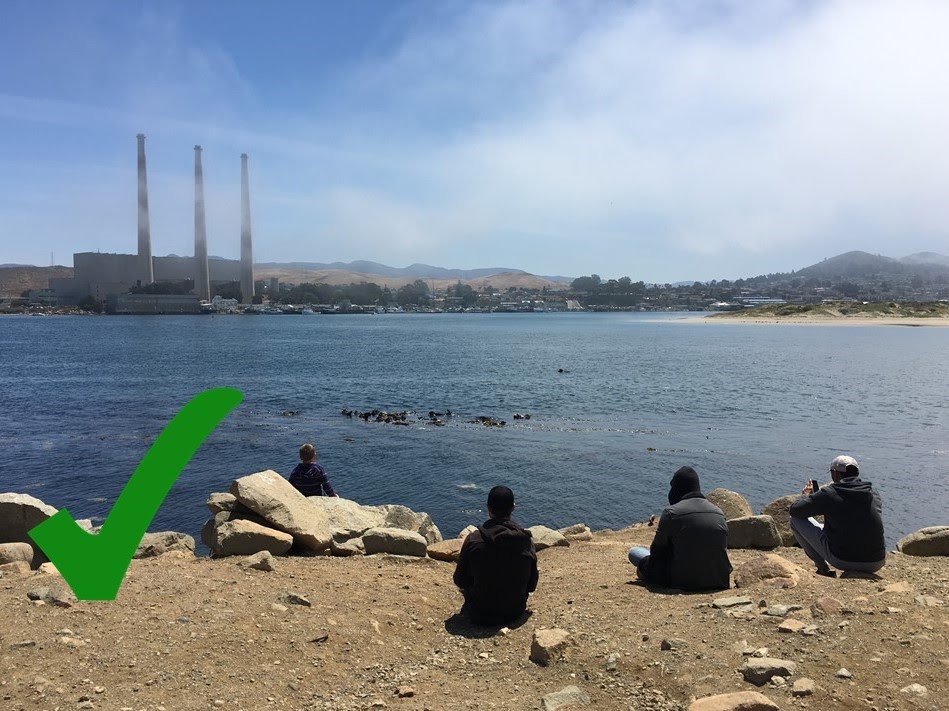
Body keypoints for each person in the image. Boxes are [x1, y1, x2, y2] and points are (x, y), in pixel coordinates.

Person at [628, 466, 732, 591]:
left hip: (681, 580)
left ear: (677, 488)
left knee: (634, 553)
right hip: (718, 579)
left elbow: (656, 553)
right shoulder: (719, 513)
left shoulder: (671, 513)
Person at [453, 485, 539, 625]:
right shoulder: (525, 541)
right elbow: (531, 586)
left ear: (488, 508)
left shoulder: (474, 540)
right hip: (514, 612)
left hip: (480, 613)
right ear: (513, 507)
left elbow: (460, 580)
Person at [789, 455, 885, 577]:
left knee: (795, 520)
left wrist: (807, 496)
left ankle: (822, 569)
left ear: (835, 474)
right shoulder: (872, 492)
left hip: (843, 560)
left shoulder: (830, 493)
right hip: (876, 561)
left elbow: (795, 510)